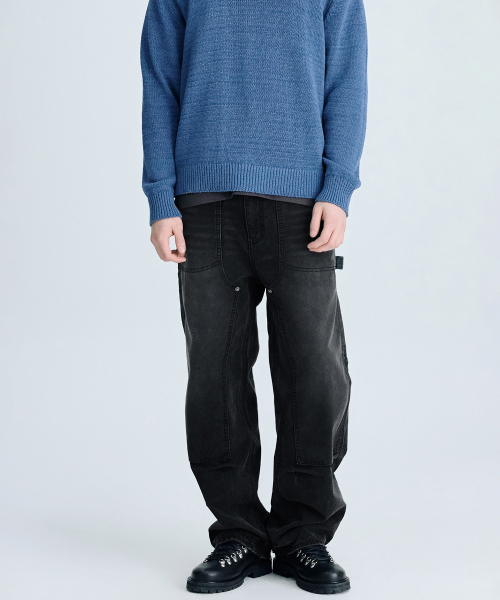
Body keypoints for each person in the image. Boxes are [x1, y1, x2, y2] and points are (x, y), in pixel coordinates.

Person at [140, 0, 367, 594]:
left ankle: (303, 535)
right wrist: (160, 197)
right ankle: (238, 533)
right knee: (214, 375)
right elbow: (160, 79)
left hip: (302, 203)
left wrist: (338, 188)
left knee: (316, 372)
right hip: (204, 203)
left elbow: (346, 77)